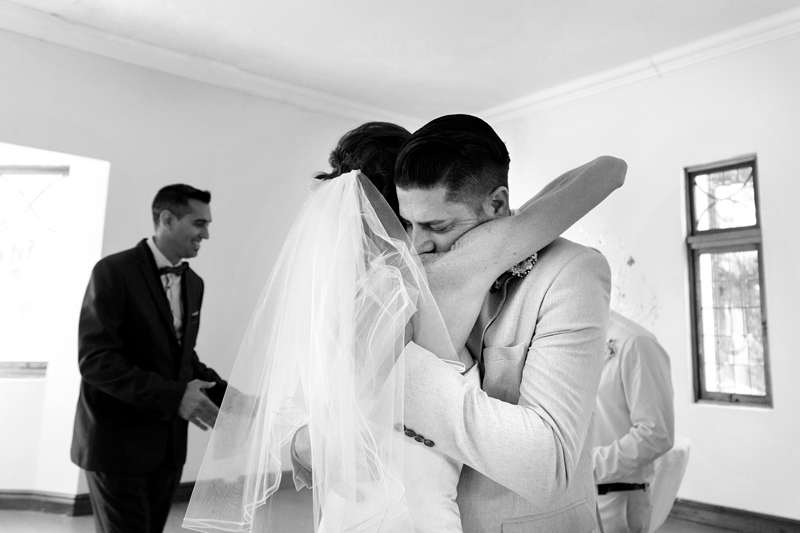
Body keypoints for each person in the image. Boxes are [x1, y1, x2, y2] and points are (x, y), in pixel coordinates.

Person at [184, 118, 626, 533]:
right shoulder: (432, 276)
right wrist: (310, 438)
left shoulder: (561, 272)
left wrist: (363, 403)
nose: (419, 242)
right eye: (409, 222)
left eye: (435, 223)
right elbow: (607, 171)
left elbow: (546, 464)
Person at [71, 184, 228, 533]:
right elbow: (97, 361)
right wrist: (175, 397)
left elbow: (183, 359)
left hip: (167, 448)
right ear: (167, 219)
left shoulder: (194, 284)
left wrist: (236, 401)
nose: (206, 234)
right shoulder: (112, 271)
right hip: (116, 445)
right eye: (199, 223)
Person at [593, 310, 675, 533]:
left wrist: (589, 465)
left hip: (616, 499)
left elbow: (657, 433)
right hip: (570, 498)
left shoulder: (636, 342)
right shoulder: (566, 337)